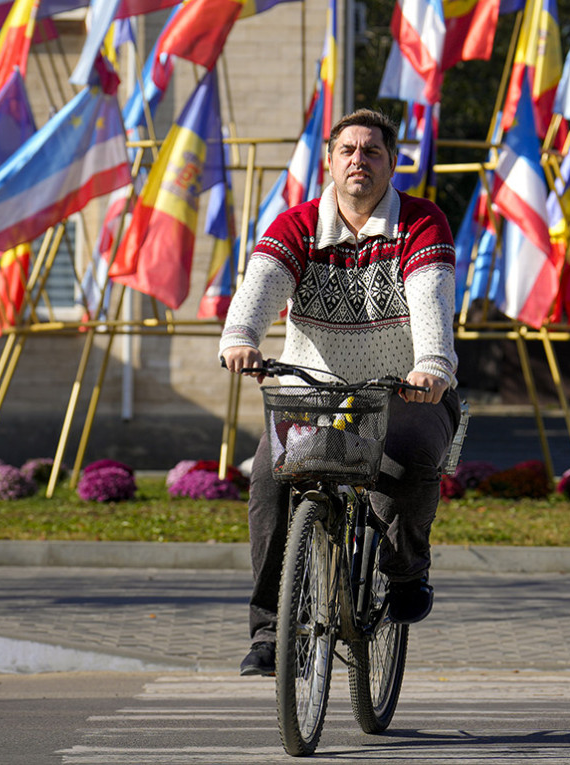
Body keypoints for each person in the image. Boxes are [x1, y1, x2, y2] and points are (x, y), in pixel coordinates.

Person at [220, 109, 461, 677]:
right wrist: (240, 337)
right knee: (269, 482)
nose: (359, 161)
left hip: (405, 391)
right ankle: (271, 634)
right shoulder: (298, 225)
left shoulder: (421, 223)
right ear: (330, 161)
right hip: (314, 395)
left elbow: (431, 300)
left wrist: (431, 365)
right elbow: (259, 287)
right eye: (348, 150)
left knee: (410, 461)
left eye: (372, 151)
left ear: (391, 162)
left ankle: (404, 571)